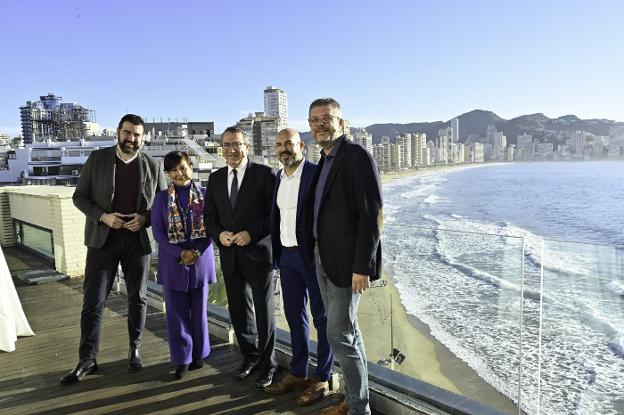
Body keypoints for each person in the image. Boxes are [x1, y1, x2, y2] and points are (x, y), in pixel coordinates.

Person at [61, 114, 167, 385]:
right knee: (93, 301)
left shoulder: (152, 165)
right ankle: (87, 359)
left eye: (137, 135)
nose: (132, 138)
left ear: (143, 138)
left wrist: (144, 218)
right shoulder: (97, 160)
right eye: (127, 133)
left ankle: (134, 349)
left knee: (138, 299)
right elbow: (79, 197)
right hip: (102, 240)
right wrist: (103, 216)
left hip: (136, 242)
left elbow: (164, 204)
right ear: (118, 133)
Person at [305, 98, 383, 415]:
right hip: (323, 258)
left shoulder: (356, 156)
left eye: (327, 118)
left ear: (342, 122)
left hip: (348, 265)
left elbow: (372, 214)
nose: (320, 124)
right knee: (346, 333)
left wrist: (362, 266)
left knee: (338, 333)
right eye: (314, 119)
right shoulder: (325, 159)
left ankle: (357, 409)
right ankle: (354, 400)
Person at [203, 126, 277, 390]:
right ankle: (250, 357)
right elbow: (209, 218)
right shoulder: (215, 179)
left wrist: (251, 234)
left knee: (264, 312)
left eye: (236, 145)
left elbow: (272, 215)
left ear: (248, 147)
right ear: (221, 149)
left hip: (258, 255)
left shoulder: (266, 175)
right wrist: (218, 234)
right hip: (230, 255)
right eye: (226, 145)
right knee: (238, 311)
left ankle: (269, 364)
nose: (232, 150)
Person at [264, 128, 333, 404]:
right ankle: (298, 372)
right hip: (287, 258)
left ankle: (322, 378)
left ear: (301, 146)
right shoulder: (277, 178)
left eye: (289, 143)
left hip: (312, 257)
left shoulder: (316, 174)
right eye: (279, 144)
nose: (284, 149)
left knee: (322, 318)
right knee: (294, 316)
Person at [151, 151, 216, 379]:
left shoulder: (207, 195)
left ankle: (199, 353)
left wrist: (195, 252)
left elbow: (211, 229)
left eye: (183, 167)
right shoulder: (160, 199)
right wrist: (180, 252)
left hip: (200, 261)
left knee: (199, 313)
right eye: (173, 170)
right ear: (168, 174)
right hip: (173, 262)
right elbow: (158, 233)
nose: (179, 173)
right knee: (176, 315)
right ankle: (182, 359)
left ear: (191, 166)